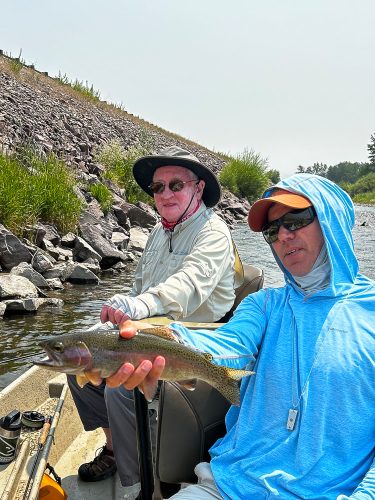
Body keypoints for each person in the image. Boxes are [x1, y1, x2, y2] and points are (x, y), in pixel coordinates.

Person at [110, 173, 375, 499]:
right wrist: (164, 339)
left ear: (331, 218)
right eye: (273, 230)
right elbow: (226, 346)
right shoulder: (263, 305)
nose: (284, 237)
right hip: (227, 486)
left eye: (296, 220)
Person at [68, 145, 241, 488]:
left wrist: (138, 307)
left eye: (175, 185)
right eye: (158, 188)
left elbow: (188, 285)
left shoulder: (214, 233)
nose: (164, 194)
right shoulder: (159, 233)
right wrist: (124, 309)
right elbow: (139, 285)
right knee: (79, 360)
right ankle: (116, 450)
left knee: (121, 386)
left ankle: (138, 484)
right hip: (151, 331)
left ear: (198, 188)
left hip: (196, 337)